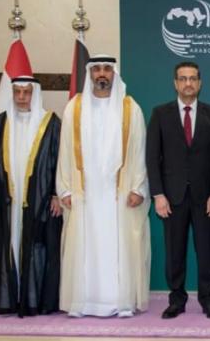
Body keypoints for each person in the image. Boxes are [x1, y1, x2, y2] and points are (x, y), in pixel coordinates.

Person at [57, 55, 150, 317]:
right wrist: (64, 188)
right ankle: (84, 301)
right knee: (85, 246)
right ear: (89, 73)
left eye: (107, 69)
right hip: (84, 193)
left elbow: (139, 151)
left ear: (114, 74)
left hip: (118, 194)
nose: (102, 74)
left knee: (118, 246)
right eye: (96, 69)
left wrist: (138, 188)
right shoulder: (74, 108)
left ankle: (120, 301)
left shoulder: (131, 109)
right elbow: (65, 151)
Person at [146, 62, 210, 320]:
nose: (188, 83)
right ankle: (176, 300)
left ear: (200, 83)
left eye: (192, 79)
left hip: (205, 198)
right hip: (172, 197)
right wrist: (158, 194)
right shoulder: (160, 114)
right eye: (183, 79)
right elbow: (152, 158)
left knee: (207, 252)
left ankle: (208, 300)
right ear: (175, 83)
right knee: (174, 253)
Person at [0, 76, 62, 316]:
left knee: (38, 246)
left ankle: (34, 300)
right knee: (8, 243)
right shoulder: (0, 123)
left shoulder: (51, 123)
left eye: (26, 92)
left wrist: (56, 194)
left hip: (40, 199)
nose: (21, 97)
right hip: (8, 198)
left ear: (34, 94)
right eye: (17, 92)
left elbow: (60, 160)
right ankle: (10, 299)